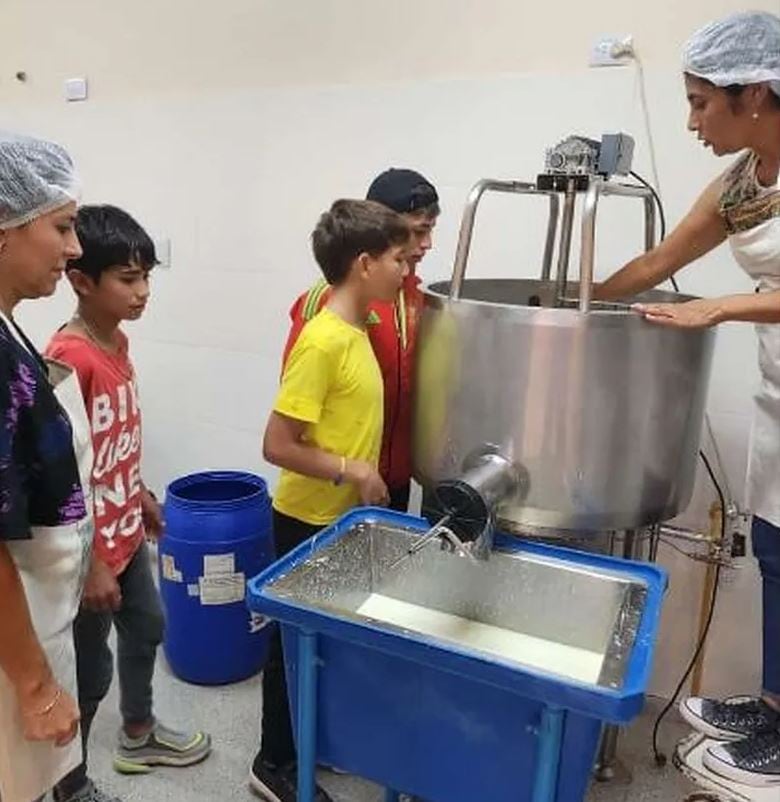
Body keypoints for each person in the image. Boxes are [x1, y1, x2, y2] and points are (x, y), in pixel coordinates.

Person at [596, 11, 780, 788]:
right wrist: (573, 306)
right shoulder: (744, 183)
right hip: (779, 390)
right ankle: (771, 706)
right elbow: (662, 259)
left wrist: (719, 309)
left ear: (760, 94)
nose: (693, 119)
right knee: (773, 547)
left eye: (704, 101)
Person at [46, 205, 211, 802]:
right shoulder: (68, 358)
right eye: (127, 278)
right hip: (87, 550)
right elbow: (61, 471)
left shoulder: (116, 341)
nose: (142, 293)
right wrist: (91, 562)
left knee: (148, 624)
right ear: (82, 280)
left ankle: (138, 732)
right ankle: (70, 783)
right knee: (90, 676)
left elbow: (109, 442)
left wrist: (138, 493)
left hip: (124, 531)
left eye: (147, 278)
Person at [250, 199, 410, 801]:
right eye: (398, 258)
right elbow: (276, 444)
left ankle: (312, 741)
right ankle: (274, 764)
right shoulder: (322, 342)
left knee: (324, 646)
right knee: (288, 647)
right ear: (365, 263)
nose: (406, 268)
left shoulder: (360, 328)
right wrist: (354, 471)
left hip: (341, 521)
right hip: (305, 519)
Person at [0, 132, 92, 802]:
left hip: (36, 622)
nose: (75, 248)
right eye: (61, 226)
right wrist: (34, 687)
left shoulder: (9, 327)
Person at [282, 169, 439, 512]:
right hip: (333, 495)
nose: (428, 244)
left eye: (431, 229)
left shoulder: (414, 298)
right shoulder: (325, 306)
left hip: (390, 484)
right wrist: (351, 471)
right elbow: (292, 417)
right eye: (418, 232)